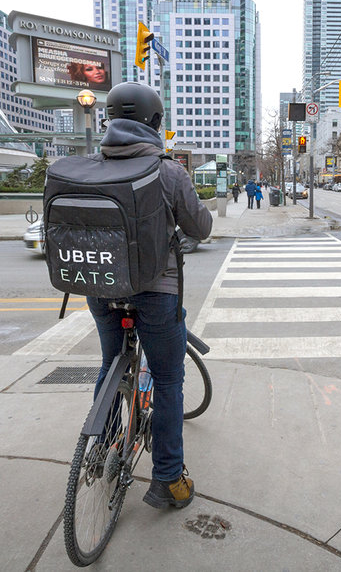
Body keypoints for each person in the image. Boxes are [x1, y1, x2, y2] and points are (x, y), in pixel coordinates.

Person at [85, 81, 213, 510]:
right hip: (156, 294)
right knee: (169, 380)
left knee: (109, 363)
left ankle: (100, 451)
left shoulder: (89, 168)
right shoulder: (169, 171)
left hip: (102, 290)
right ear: (155, 123)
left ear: (108, 119)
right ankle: (168, 480)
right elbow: (200, 228)